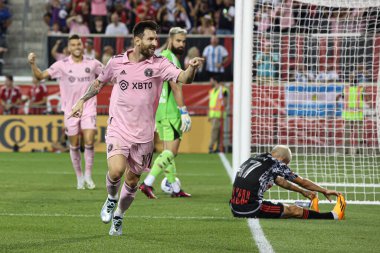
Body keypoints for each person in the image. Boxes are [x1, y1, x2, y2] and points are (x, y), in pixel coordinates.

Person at [68, 21, 204, 236]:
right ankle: (111, 198)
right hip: (118, 128)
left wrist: (192, 68)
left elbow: (183, 78)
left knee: (132, 181)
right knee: (116, 171)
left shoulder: (160, 63)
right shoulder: (116, 63)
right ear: (137, 40)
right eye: (150, 39)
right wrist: (81, 101)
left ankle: (120, 215)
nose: (155, 42)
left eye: (156, 39)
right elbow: (98, 83)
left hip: (144, 136)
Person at [27, 34, 103, 190]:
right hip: (70, 110)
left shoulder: (93, 63)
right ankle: (79, 177)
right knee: (74, 144)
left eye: (79, 44)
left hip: (88, 106)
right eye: (73, 45)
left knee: (89, 139)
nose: (77, 47)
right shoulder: (61, 65)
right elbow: (40, 76)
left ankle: (88, 175)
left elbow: (109, 75)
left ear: (82, 46)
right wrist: (33, 64)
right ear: (69, 48)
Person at [139, 27, 192, 199]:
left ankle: (175, 188)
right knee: (172, 152)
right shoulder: (170, 57)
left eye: (184, 41)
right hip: (170, 112)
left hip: (161, 112)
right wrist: (183, 111)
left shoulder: (161, 56)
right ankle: (147, 183)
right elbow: (175, 86)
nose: (181, 44)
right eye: (178, 40)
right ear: (170, 40)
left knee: (167, 152)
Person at [230, 145, 346, 220]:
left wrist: (302, 192)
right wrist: (324, 190)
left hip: (235, 206)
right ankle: (333, 216)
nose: (286, 167)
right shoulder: (276, 163)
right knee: (294, 210)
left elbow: (280, 181)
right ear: (282, 160)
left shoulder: (256, 159)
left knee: (284, 208)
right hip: (251, 208)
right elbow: (303, 182)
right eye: (286, 164)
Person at [342, 73, 364, 155]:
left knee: (347, 133)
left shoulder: (345, 89)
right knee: (358, 133)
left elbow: (343, 97)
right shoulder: (360, 89)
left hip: (347, 114)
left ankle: (346, 150)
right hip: (358, 114)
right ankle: (358, 149)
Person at [208, 76, 228, 153]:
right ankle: (218, 148)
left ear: (215, 81)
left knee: (215, 131)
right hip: (213, 115)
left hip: (220, 114)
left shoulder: (223, 90)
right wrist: (209, 115)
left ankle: (211, 147)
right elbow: (211, 104)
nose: (210, 82)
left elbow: (225, 103)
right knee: (217, 132)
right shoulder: (212, 91)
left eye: (211, 80)